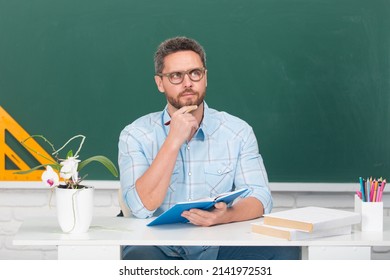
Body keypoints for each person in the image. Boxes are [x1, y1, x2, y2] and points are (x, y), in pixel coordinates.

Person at [118, 36, 300, 260]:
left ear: (205, 77)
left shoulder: (237, 131)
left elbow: (261, 198)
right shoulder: (135, 134)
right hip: (158, 246)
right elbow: (140, 207)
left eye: (195, 73)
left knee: (285, 252)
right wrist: (173, 141)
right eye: (176, 76)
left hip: (221, 242)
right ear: (159, 83)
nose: (188, 83)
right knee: (138, 257)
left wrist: (226, 215)